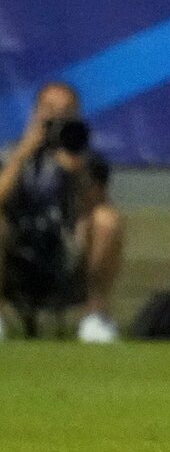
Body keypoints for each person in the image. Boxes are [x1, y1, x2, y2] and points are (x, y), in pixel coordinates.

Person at [0, 83, 123, 343]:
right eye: (50, 109)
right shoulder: (10, 153)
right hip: (16, 248)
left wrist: (78, 172)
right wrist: (22, 155)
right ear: (36, 113)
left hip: (67, 247)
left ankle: (96, 316)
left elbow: (98, 207)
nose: (57, 116)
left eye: (66, 110)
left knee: (107, 220)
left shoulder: (87, 159)